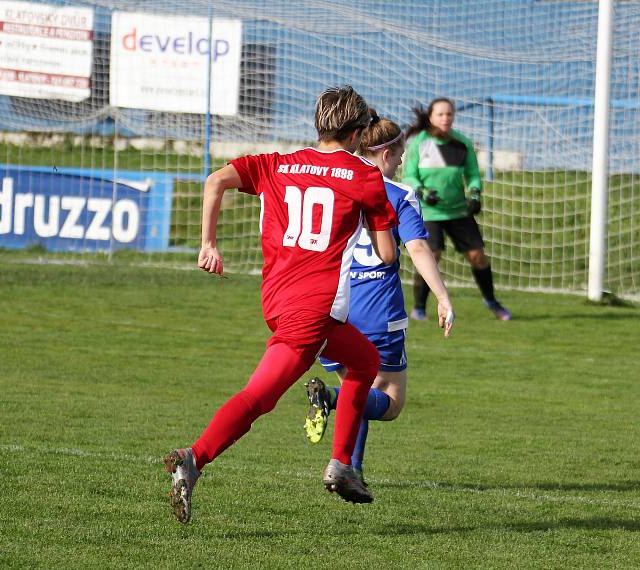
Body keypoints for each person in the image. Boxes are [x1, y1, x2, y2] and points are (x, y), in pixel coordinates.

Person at [164, 85, 400, 524]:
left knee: (364, 361)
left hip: (278, 300)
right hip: (311, 309)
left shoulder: (279, 164)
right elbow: (386, 255)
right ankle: (192, 457)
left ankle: (342, 465)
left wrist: (208, 245)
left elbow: (216, 180)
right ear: (355, 132)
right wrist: (379, 222)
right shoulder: (365, 177)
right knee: (259, 398)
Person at [301, 111, 455, 483]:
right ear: (385, 155)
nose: (402, 163)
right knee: (388, 403)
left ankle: (350, 469)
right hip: (377, 313)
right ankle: (332, 401)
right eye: (400, 156)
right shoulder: (399, 194)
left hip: (329, 308)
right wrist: (443, 297)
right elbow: (418, 248)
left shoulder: (334, 183)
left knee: (360, 382)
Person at [402, 97, 511, 321]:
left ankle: (491, 300)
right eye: (440, 114)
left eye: (449, 114)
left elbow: (472, 174)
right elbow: (409, 175)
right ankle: (420, 308)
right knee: (432, 255)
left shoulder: (462, 143)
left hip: (458, 211)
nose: (445, 118)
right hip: (429, 212)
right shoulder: (419, 144)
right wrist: (422, 191)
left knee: (477, 256)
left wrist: (474, 193)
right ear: (431, 117)